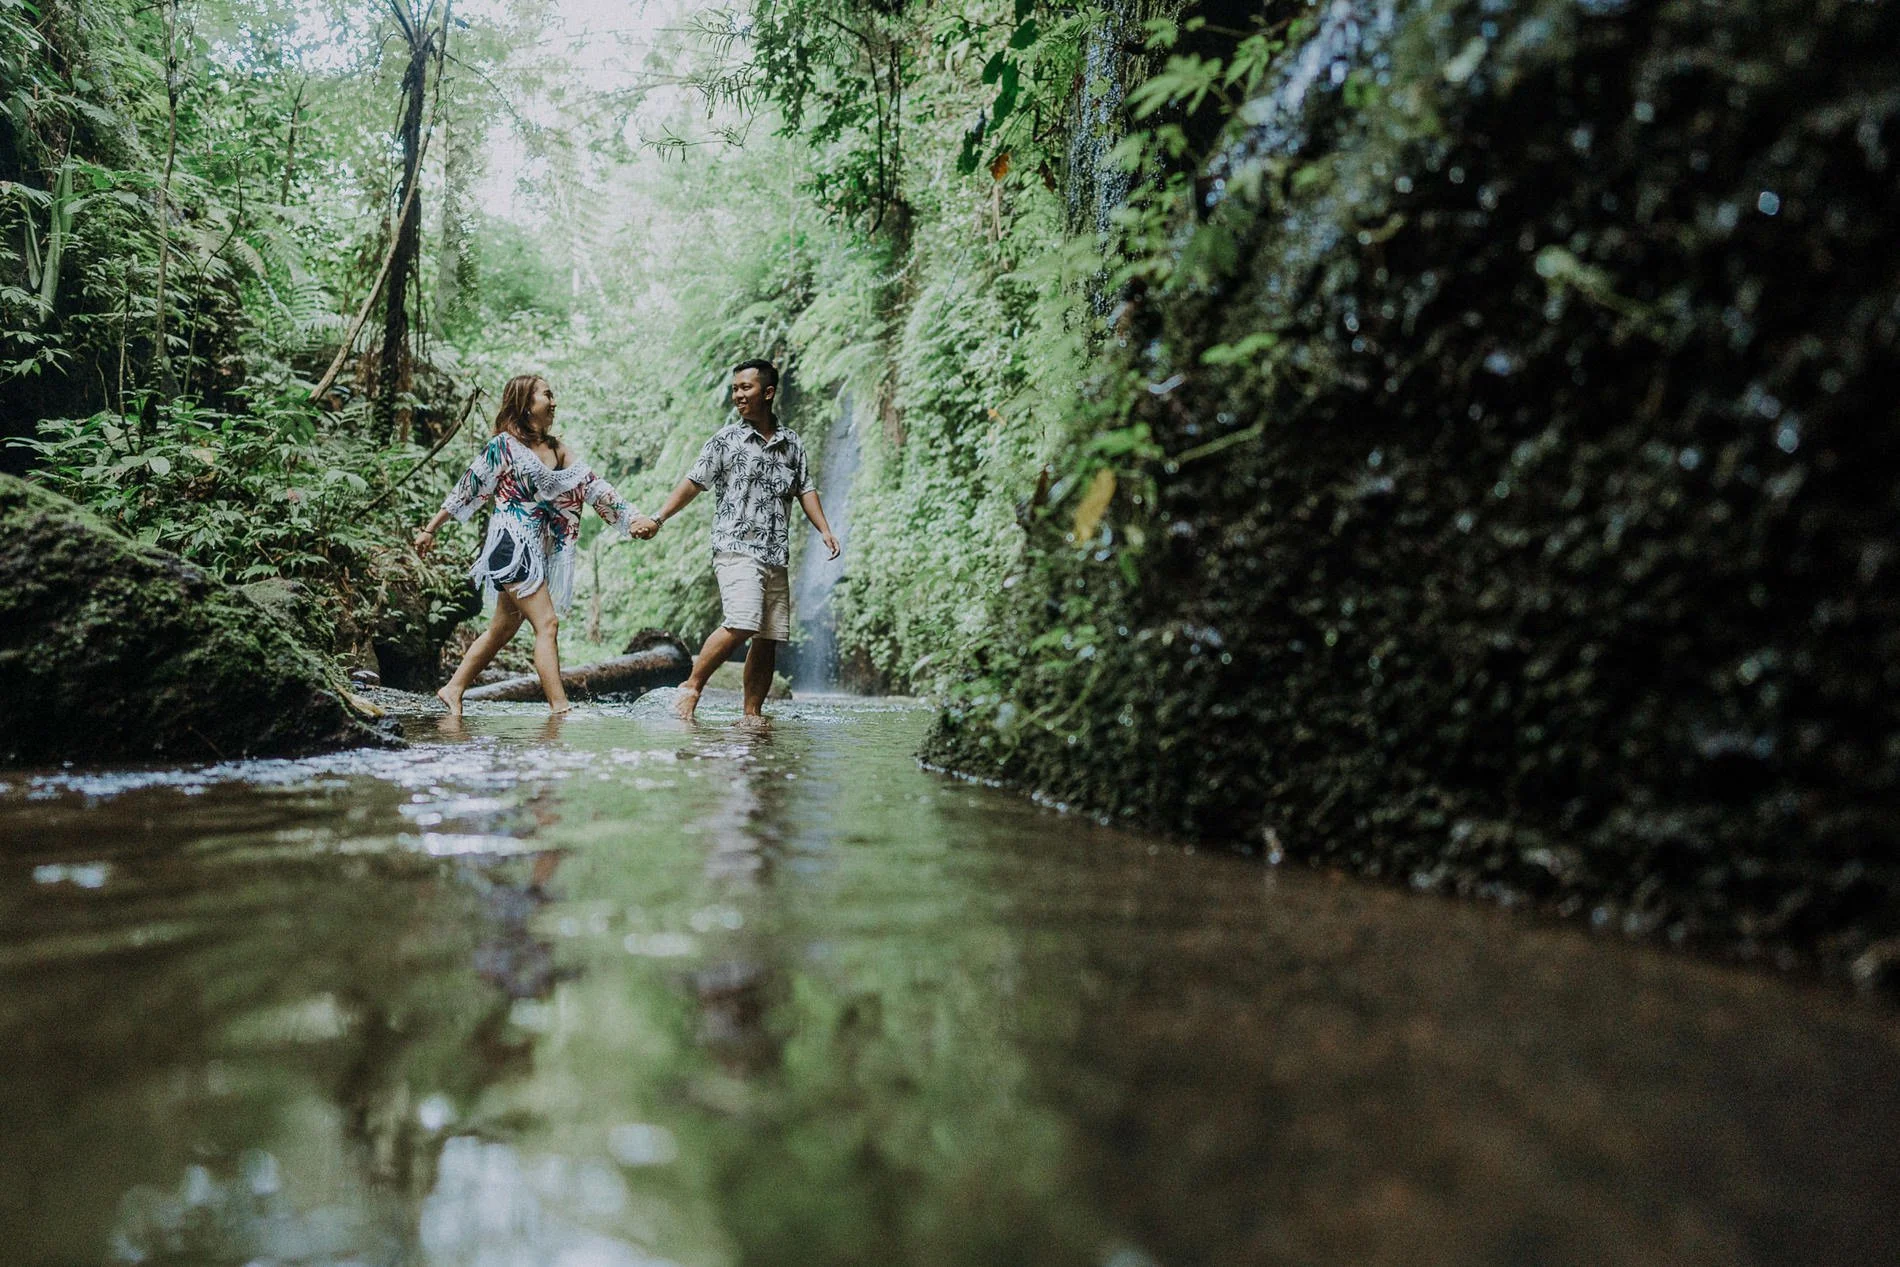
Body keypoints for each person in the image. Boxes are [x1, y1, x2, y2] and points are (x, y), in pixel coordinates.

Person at [416, 374, 657, 716]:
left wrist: (633, 518)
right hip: (510, 544)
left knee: (501, 628)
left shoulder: (558, 450)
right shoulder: (503, 446)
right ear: (526, 404)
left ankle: (453, 688)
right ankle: (560, 709)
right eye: (547, 395)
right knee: (547, 624)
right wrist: (430, 529)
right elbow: (468, 487)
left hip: (535, 551)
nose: (553, 402)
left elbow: (595, 487)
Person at [638, 358, 839, 721]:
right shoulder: (725, 440)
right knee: (743, 621)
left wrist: (824, 529)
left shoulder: (792, 443)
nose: (738, 395)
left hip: (775, 552)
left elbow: (805, 489)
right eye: (734, 389)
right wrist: (659, 517)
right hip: (735, 546)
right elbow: (693, 482)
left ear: (768, 392)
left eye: (745, 387)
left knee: (769, 636)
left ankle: (752, 715)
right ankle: (691, 687)